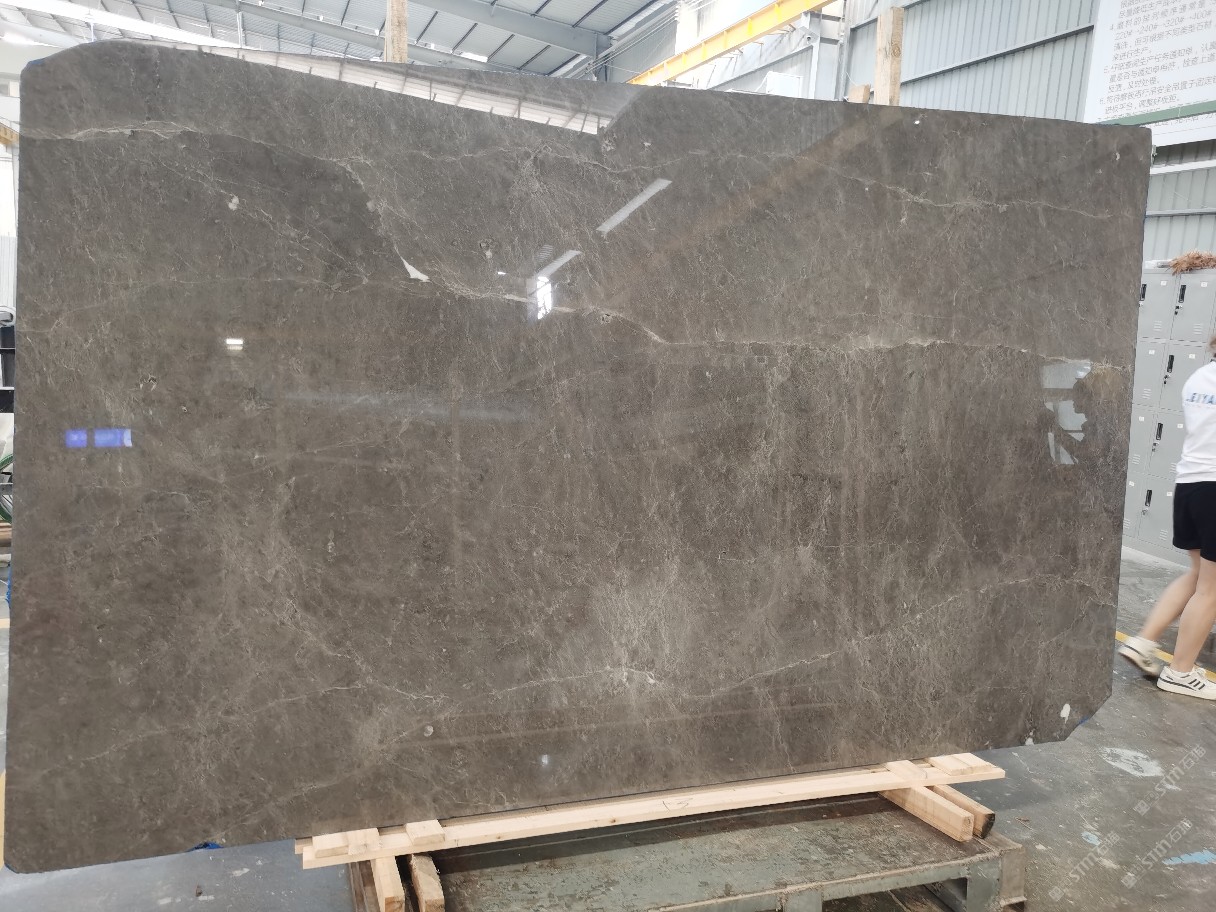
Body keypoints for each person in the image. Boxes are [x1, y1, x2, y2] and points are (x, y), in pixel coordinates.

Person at [1119, 334, 1216, 699]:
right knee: (1211, 589)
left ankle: (1144, 642)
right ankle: (1181, 672)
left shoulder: (1199, 377)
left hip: (1190, 485)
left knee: (1198, 576)